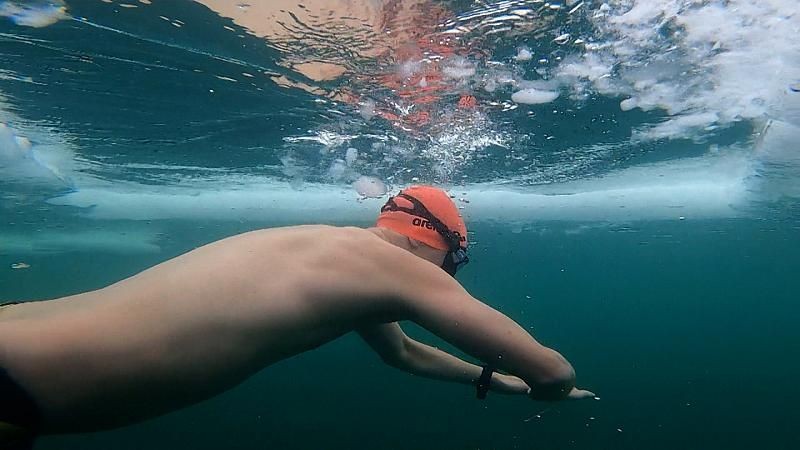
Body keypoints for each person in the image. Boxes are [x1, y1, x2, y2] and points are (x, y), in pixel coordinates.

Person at [0, 185, 593, 449]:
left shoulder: (339, 255)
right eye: (453, 260)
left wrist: (495, 382)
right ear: (433, 241)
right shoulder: (395, 271)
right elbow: (553, 369)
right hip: (21, 385)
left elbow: (403, 353)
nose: (449, 274)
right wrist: (547, 391)